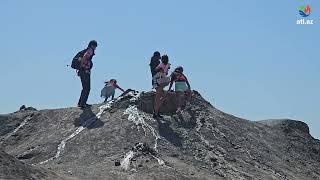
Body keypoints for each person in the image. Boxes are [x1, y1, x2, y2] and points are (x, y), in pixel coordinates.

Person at [77, 40, 97, 108]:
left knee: (85, 87)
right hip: (85, 71)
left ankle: (81, 102)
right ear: (92, 45)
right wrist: (85, 68)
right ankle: (83, 103)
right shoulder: (89, 51)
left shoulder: (87, 50)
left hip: (82, 70)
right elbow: (84, 59)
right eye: (94, 46)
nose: (95, 47)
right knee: (87, 88)